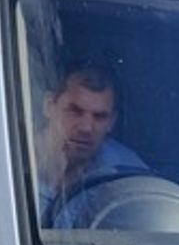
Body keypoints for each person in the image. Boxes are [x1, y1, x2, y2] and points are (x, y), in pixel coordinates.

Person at [36, 61, 146, 227]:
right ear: (49, 106)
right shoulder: (9, 160)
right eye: (75, 111)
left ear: (112, 122)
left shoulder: (128, 175)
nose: (87, 127)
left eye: (100, 117)